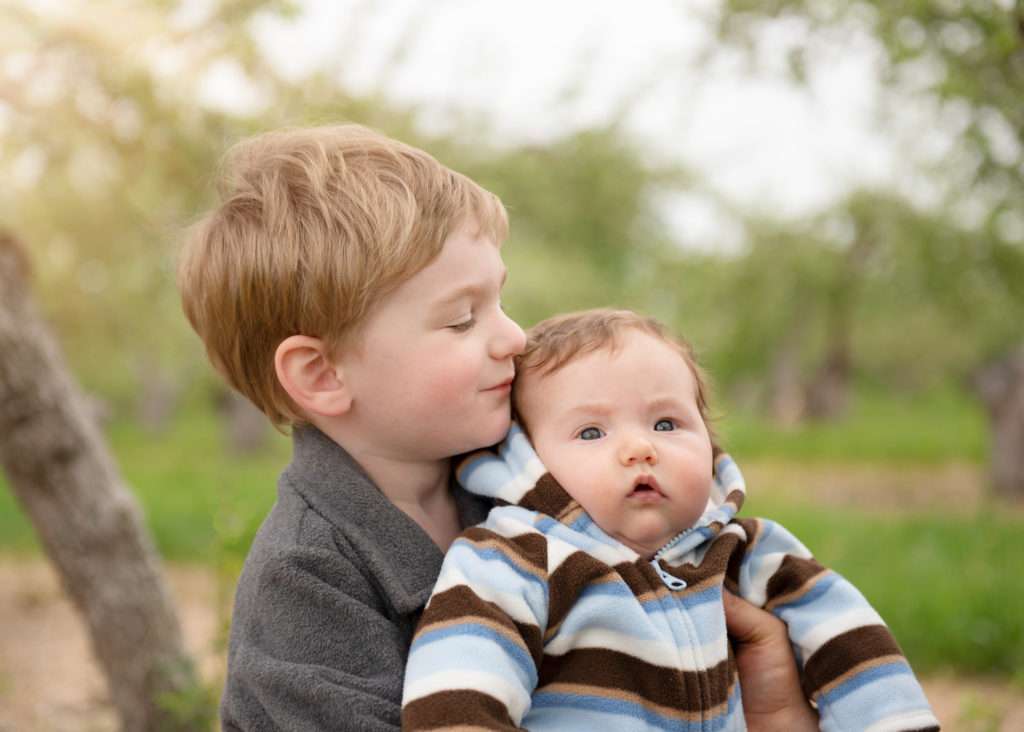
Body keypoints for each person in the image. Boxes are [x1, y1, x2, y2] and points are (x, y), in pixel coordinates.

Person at [179, 124, 825, 731]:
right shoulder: (308, 580)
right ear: (322, 374)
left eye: (499, 300)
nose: (513, 336)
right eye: (463, 319)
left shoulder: (527, 475)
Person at [402, 309, 939, 731]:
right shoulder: (516, 557)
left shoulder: (747, 551)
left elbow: (853, 646)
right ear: (529, 458)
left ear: (709, 441)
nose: (640, 448)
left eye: (666, 422)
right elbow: (460, 689)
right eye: (592, 432)